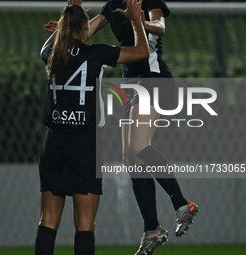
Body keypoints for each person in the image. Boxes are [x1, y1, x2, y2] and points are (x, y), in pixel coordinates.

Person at [45, 1, 199, 255]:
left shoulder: (149, 3)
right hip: (133, 86)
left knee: (138, 146)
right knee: (131, 157)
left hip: (155, 79)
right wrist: (65, 28)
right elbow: (85, 31)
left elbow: (160, 27)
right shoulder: (113, 5)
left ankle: (182, 204)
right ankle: (152, 228)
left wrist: (138, 18)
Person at [36, 1, 149, 255]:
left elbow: (47, 46)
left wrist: (62, 28)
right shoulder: (97, 53)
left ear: (63, 28)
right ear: (86, 26)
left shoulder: (52, 52)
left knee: (47, 222)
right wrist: (135, 21)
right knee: (85, 224)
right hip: (84, 146)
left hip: (53, 144)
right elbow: (142, 51)